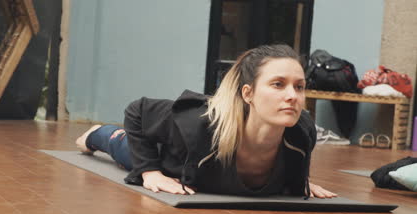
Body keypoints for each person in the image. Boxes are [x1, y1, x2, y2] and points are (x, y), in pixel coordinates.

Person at [76, 44, 337, 199]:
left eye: (299, 87)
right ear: (248, 93)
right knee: (120, 146)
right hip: (171, 160)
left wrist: (297, 179)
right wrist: (150, 171)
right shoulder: (200, 124)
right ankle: (98, 133)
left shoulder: (302, 132)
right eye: (278, 84)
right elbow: (137, 110)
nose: (292, 96)